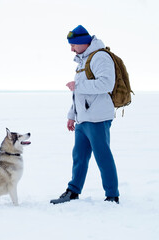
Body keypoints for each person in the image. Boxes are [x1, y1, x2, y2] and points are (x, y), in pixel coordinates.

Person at [50, 25, 120, 204]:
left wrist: (78, 86)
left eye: (73, 45)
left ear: (83, 42)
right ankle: (73, 191)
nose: (71, 49)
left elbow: (106, 84)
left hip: (97, 118)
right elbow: (78, 94)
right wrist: (71, 115)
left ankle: (112, 195)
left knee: (103, 157)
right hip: (83, 118)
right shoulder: (83, 60)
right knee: (79, 157)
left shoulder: (100, 57)